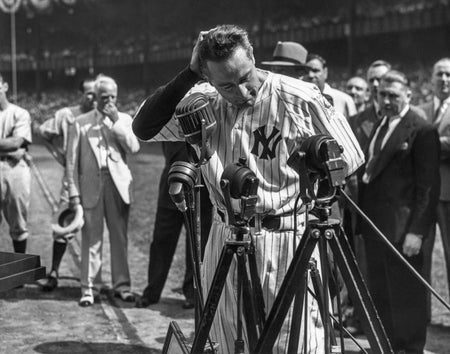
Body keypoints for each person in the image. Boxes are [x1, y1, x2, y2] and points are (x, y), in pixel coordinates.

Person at [132, 25, 364, 353]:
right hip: (225, 235)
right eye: (227, 84)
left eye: (245, 77)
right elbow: (143, 127)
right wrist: (189, 74)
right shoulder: (206, 102)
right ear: (209, 78)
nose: (241, 91)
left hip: (285, 237)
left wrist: (308, 175)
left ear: (253, 57)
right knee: (227, 342)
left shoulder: (298, 96)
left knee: (294, 344)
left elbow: (351, 156)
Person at [358, 70, 440, 353]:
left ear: (408, 94)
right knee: (381, 291)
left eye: (394, 95)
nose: (387, 100)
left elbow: (428, 187)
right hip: (375, 226)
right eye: (383, 94)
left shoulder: (422, 129)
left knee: (407, 295)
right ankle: (387, 345)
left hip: (403, 229)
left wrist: (417, 231)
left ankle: (410, 348)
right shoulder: (381, 125)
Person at [66, 75, 140, 307]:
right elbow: (71, 162)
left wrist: (115, 120)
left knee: (119, 237)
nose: (108, 101)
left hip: (117, 184)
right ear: (95, 97)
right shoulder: (80, 122)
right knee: (91, 238)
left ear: (116, 96)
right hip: (90, 184)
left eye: (112, 97)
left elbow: (134, 147)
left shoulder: (124, 119)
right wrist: (73, 193)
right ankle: (89, 288)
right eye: (103, 97)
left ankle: (122, 286)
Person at [35, 77, 96, 292]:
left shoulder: (100, 115)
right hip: (71, 177)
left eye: (95, 92)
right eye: (88, 92)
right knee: (63, 224)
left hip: (96, 178)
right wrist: (59, 155)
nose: (92, 97)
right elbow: (43, 132)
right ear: (80, 94)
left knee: (94, 227)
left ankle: (91, 280)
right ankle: (54, 272)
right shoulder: (67, 114)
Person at [135, 141, 212, 309]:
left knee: (197, 245)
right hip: (171, 184)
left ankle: (193, 293)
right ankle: (152, 292)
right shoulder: (168, 121)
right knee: (161, 241)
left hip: (200, 190)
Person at [419, 57, 450, 323]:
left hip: (449, 192)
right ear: (431, 79)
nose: (444, 79)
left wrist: (429, 144)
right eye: (439, 74)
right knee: (421, 254)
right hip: (424, 193)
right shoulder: (421, 109)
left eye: (449, 75)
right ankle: (423, 315)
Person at [0, 73, 32, 254]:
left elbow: (16, 143)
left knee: (19, 224)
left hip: (14, 170)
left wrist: (13, 146)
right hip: (13, 158)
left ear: (5, 86)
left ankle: (19, 276)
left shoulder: (19, 113)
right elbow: (12, 146)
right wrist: (10, 147)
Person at [303, 53, 357, 119]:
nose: (310, 75)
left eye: (315, 71)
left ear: (325, 72)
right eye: (306, 71)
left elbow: (353, 127)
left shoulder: (344, 100)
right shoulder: (298, 99)